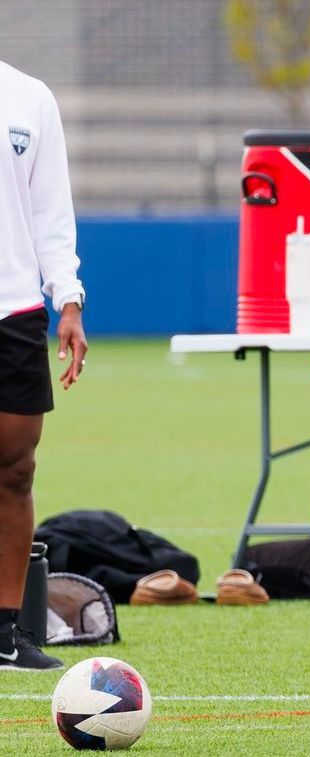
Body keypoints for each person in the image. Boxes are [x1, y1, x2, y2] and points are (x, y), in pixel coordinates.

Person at [0, 59, 87, 671]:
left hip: (15, 310)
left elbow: (52, 211)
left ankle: (5, 632)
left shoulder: (30, 96)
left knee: (15, 469)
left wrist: (69, 298)